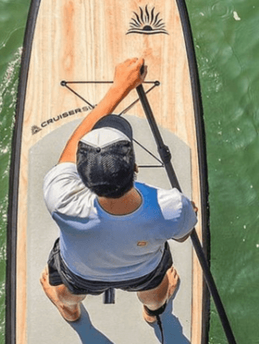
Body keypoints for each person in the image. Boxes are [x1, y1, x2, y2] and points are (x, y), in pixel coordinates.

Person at [40, 57, 197, 326]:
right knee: (156, 290)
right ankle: (152, 313)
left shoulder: (60, 198)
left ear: (81, 173)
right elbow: (183, 235)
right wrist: (189, 210)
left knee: (66, 290)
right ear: (135, 166)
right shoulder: (171, 206)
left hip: (79, 272)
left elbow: (68, 153)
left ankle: (69, 310)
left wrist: (118, 88)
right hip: (143, 272)